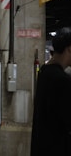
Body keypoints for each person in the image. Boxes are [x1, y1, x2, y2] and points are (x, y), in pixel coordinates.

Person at [31, 27, 71, 156]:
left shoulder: (44, 71)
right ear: (69, 48)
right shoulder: (61, 80)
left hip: (42, 146)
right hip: (56, 148)